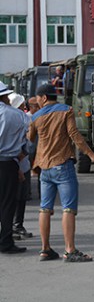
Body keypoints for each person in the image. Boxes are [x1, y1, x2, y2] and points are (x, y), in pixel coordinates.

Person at [27, 83, 94, 262]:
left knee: (45, 208)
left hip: (44, 169)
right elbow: (74, 135)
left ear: (44, 98)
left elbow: (29, 140)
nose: (37, 102)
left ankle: (45, 249)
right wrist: (91, 154)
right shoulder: (66, 111)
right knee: (68, 209)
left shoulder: (35, 117)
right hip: (63, 165)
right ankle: (69, 250)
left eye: (38, 99)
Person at [0, 82, 29, 254]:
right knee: (7, 204)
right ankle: (5, 241)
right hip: (7, 164)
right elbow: (27, 143)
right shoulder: (17, 115)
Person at [8, 93, 33, 241]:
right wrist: (20, 154)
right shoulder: (16, 118)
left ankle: (17, 225)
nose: (24, 107)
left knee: (21, 197)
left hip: (23, 164)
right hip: (14, 163)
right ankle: (10, 227)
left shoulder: (24, 117)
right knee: (12, 198)